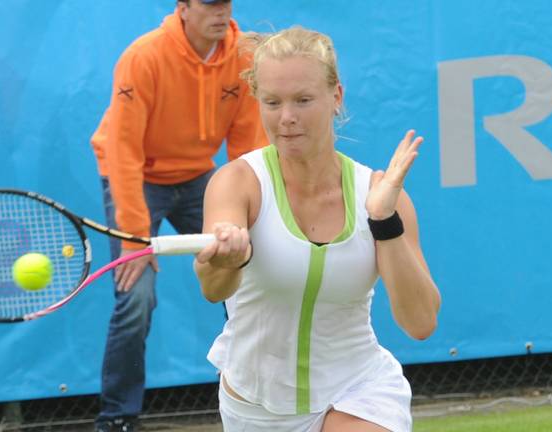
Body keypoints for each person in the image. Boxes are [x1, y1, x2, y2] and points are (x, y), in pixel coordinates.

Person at [194, 27, 441, 432]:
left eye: (303, 100)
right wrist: (229, 259)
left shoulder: (378, 195)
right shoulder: (238, 183)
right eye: (272, 102)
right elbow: (213, 289)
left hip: (357, 389)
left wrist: (384, 222)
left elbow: (421, 323)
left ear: (336, 97)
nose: (286, 117)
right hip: (256, 410)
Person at [89, 1, 267, 431]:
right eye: (207, 4)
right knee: (137, 296)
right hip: (136, 179)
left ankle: (260, 399)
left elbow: (246, 146)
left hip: (198, 177)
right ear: (183, 9)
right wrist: (134, 238)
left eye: (224, 3)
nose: (219, 12)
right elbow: (123, 150)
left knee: (256, 277)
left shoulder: (244, 56)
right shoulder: (144, 56)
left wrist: (254, 213)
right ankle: (117, 419)